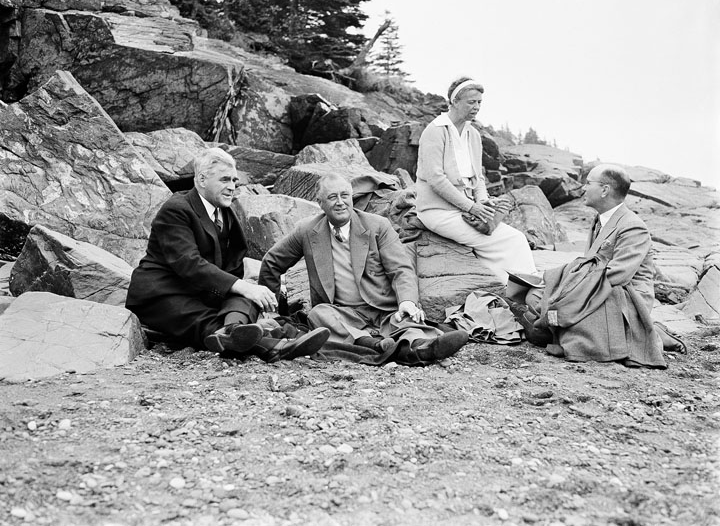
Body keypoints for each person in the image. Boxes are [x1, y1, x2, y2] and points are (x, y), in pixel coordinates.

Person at [125, 147, 329, 362]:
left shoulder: (225, 212)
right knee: (211, 319)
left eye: (234, 181)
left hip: (200, 294)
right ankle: (275, 343)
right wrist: (244, 287)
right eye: (224, 180)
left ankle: (235, 330)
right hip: (162, 295)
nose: (232, 187)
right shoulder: (176, 209)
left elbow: (233, 266)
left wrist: (247, 292)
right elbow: (189, 264)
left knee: (248, 297)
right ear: (202, 179)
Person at [258, 173, 469, 366]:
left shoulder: (378, 225)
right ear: (320, 203)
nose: (340, 202)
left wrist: (406, 301)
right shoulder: (306, 230)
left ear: (352, 197)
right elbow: (272, 262)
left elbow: (401, 270)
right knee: (319, 314)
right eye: (332, 197)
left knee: (406, 321)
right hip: (342, 312)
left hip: (383, 309)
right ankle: (376, 346)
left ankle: (423, 348)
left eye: (345, 195)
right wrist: (271, 308)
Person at [523, 164, 667, 368]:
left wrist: (571, 291)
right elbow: (589, 264)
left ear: (605, 189)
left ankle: (644, 330)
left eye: (588, 183)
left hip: (623, 295)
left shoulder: (633, 226)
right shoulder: (598, 220)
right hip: (595, 287)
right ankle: (554, 324)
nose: (583, 188)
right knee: (535, 295)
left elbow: (618, 275)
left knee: (563, 312)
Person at [415, 76, 537, 285]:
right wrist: (472, 207)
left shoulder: (473, 134)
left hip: (465, 210)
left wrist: (483, 201)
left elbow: (478, 177)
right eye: (471, 102)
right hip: (438, 212)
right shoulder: (435, 131)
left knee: (515, 238)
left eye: (479, 102)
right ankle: (514, 288)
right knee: (498, 240)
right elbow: (436, 180)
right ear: (454, 101)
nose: (477, 107)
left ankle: (523, 288)